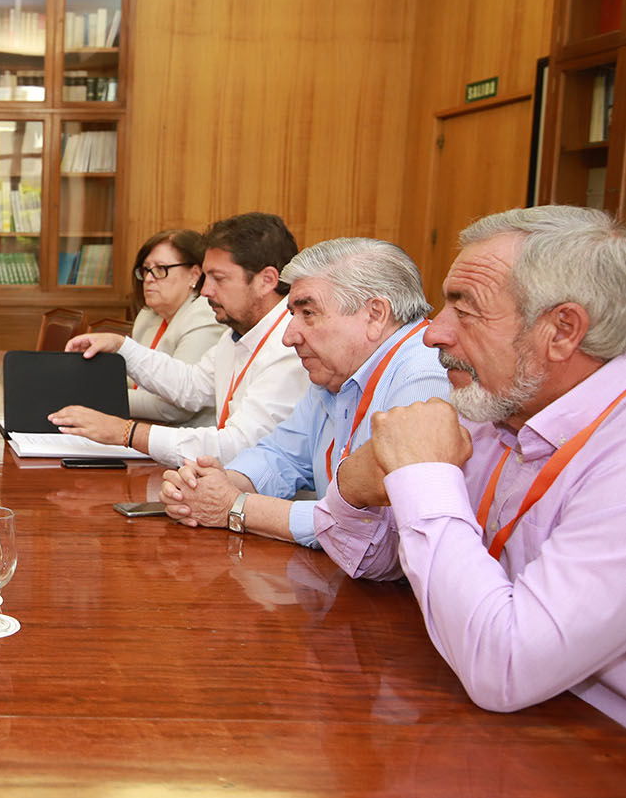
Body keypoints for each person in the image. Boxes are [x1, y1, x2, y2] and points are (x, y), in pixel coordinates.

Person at [317, 207, 626, 723]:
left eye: (466, 309)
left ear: (562, 331)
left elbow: (506, 667)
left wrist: (422, 475)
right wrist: (355, 486)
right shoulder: (498, 407)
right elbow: (370, 561)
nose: (432, 333)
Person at [158, 238, 449, 546]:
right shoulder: (334, 372)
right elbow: (281, 455)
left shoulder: (425, 377)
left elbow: (379, 533)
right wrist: (209, 485)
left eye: (308, 313)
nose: (288, 336)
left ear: (375, 315)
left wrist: (236, 506)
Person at [51, 212, 307, 465]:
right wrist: (123, 347)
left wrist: (126, 432)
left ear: (267, 280)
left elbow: (238, 446)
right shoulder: (237, 334)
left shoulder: (292, 346)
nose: (205, 290)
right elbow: (192, 386)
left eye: (219, 278)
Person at [126, 229, 226, 424]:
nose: (148, 278)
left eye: (160, 269)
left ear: (194, 275)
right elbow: (131, 382)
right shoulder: (148, 316)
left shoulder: (204, 316)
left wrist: (103, 399)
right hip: (140, 426)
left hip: (185, 442)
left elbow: (174, 409)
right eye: (146, 269)